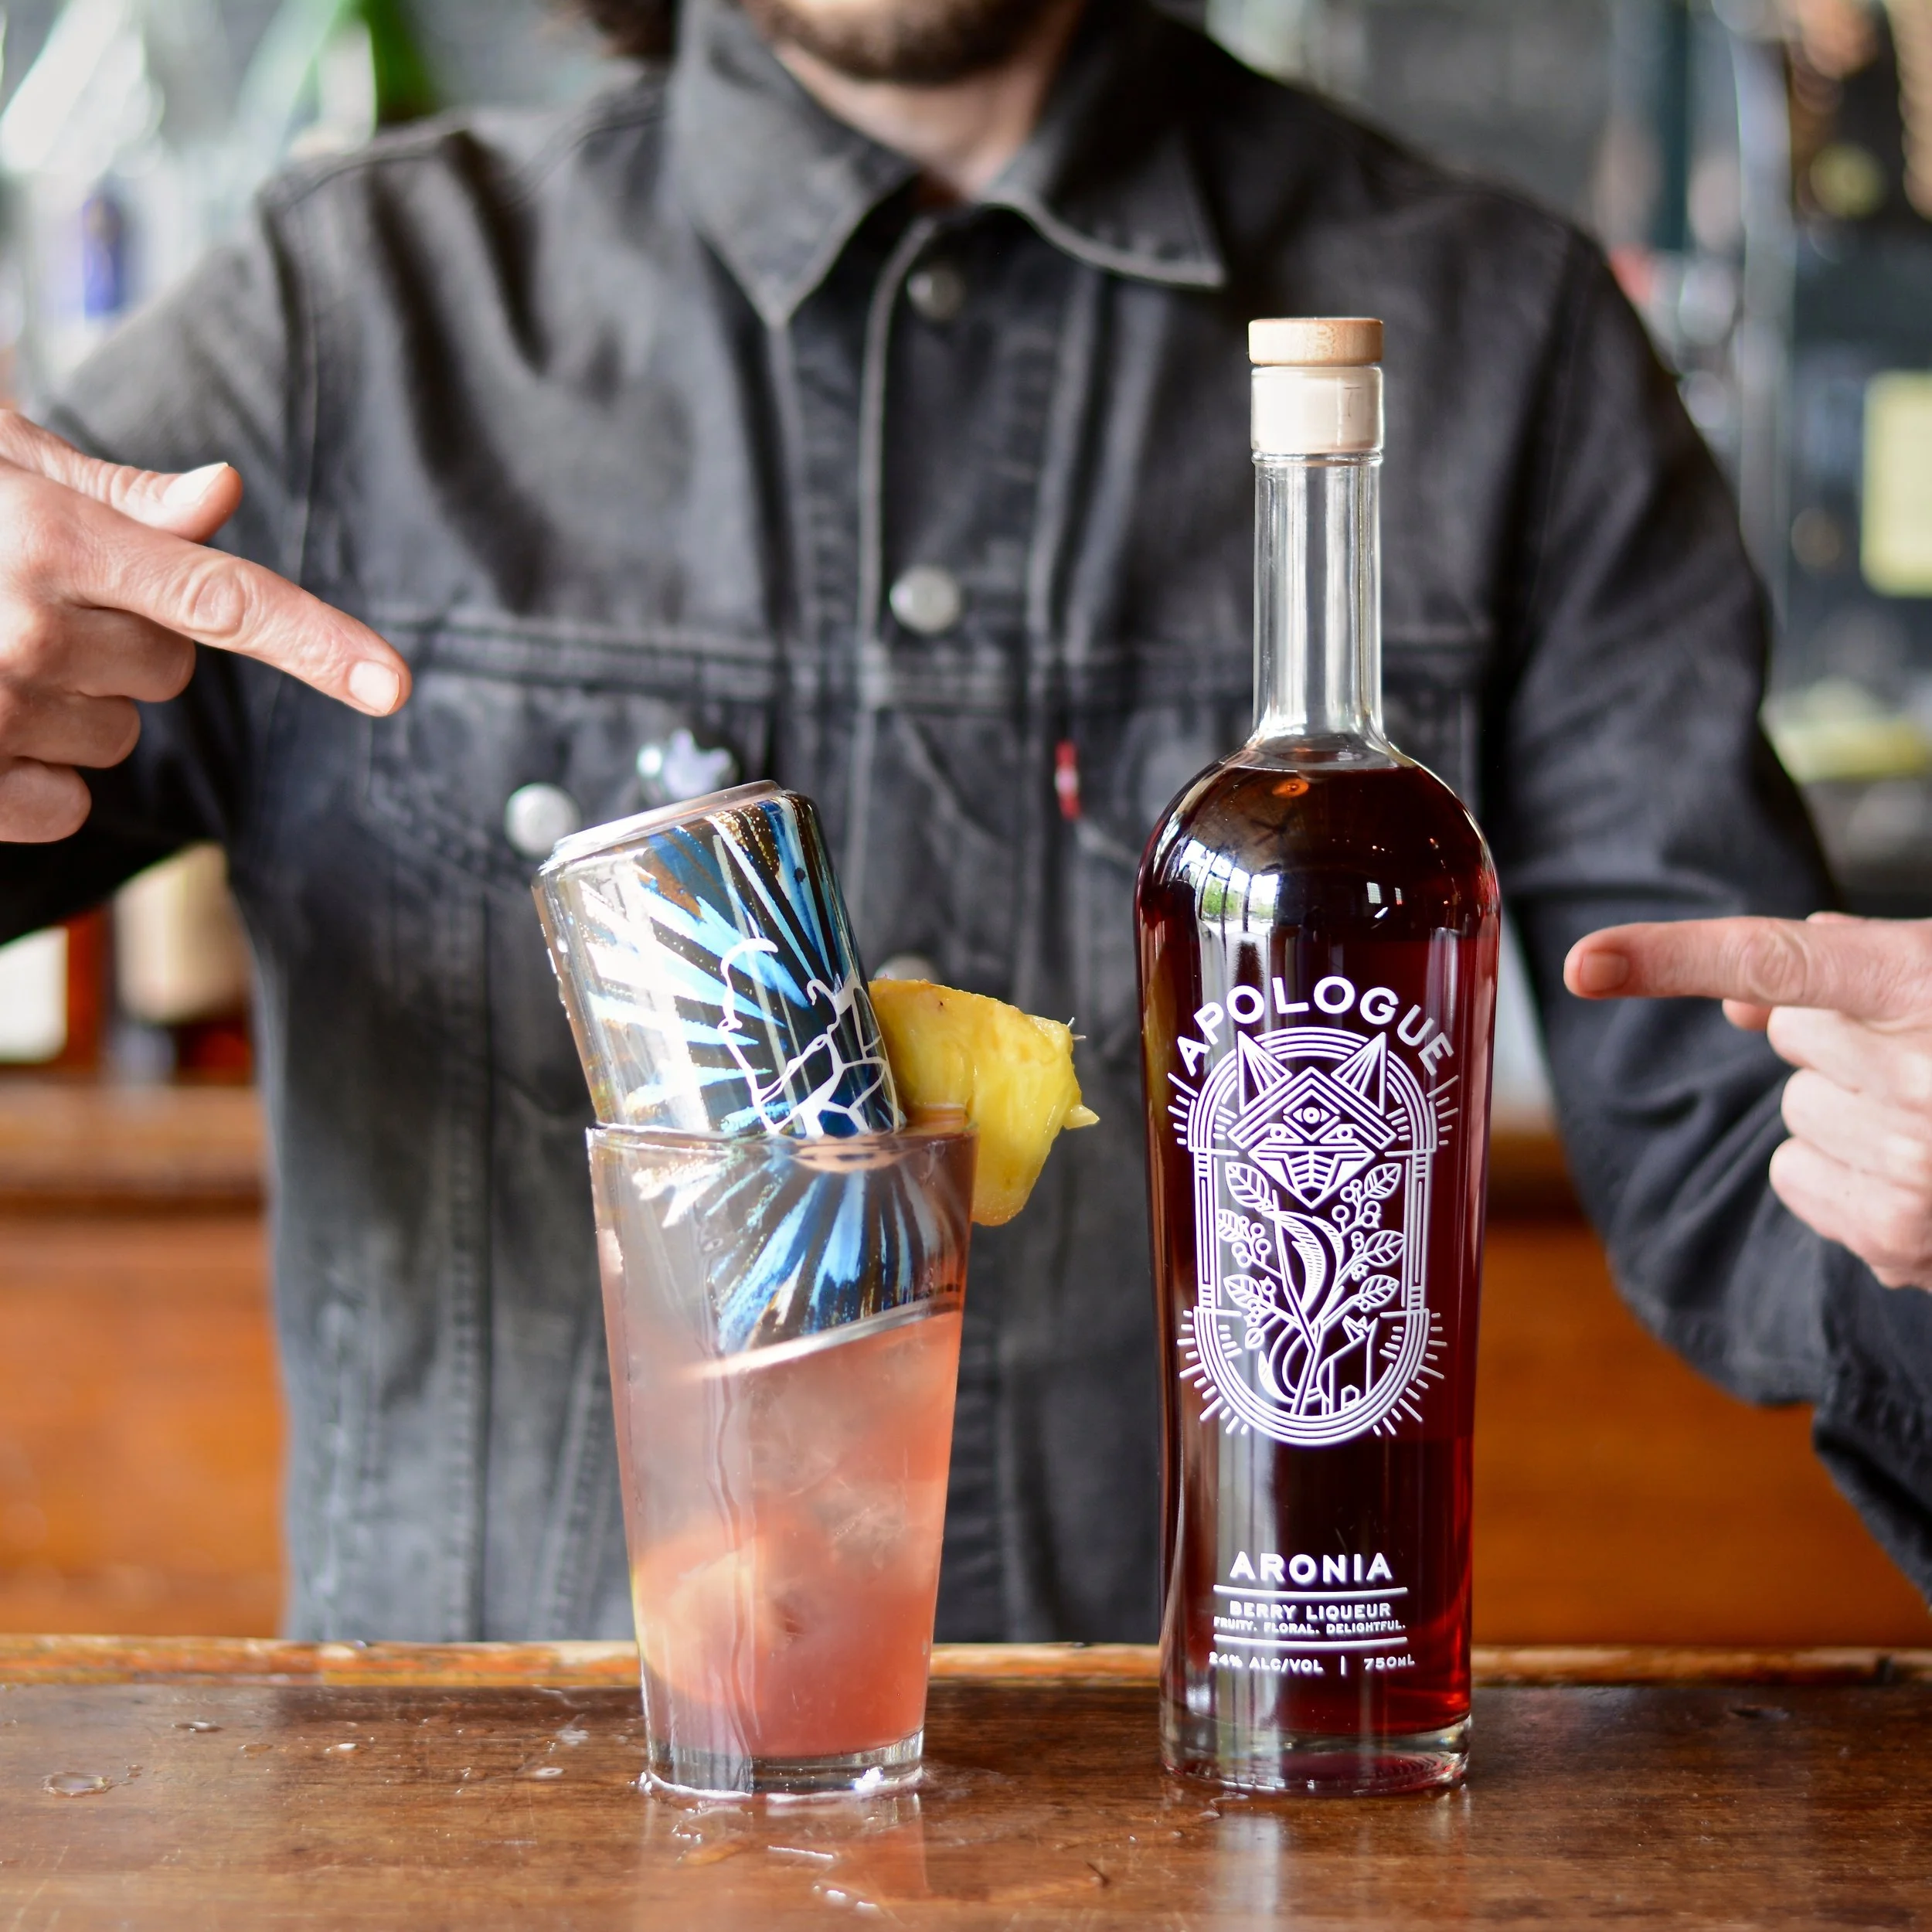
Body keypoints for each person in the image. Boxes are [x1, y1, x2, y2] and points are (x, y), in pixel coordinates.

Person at [0, 0, 1926, 1641]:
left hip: (1222, 1822)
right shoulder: (339, 319)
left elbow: (1753, 1147)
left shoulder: (1496, 339)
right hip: (511, 1859)